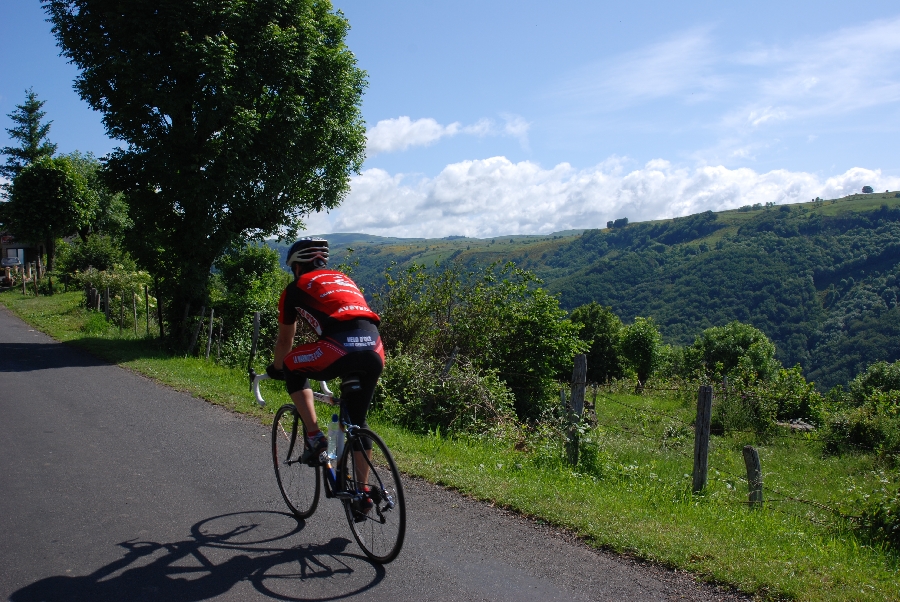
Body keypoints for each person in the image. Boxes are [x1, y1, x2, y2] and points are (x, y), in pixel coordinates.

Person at [267, 237, 384, 512]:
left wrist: (276, 368)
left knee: (292, 364)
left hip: (339, 349)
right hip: (375, 349)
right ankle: (362, 493)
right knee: (357, 421)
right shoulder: (344, 278)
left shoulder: (295, 288)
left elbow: (285, 342)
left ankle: (314, 435)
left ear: (296, 266)